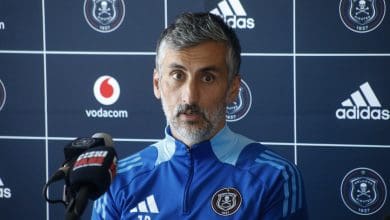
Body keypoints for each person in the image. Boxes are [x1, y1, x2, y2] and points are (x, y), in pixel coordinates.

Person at [92, 12, 308, 219]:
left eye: (207, 78)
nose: (190, 97)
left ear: (233, 88)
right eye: (177, 75)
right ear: (157, 84)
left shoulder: (275, 176)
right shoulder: (117, 180)